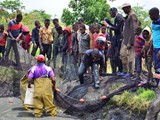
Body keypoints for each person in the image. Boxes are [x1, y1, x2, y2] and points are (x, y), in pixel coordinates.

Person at [120, 3, 139, 78]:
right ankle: (126, 71)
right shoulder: (128, 16)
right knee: (122, 54)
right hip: (125, 39)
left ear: (128, 8)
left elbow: (133, 30)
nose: (123, 11)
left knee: (131, 58)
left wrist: (130, 42)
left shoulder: (132, 15)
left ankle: (131, 73)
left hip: (130, 41)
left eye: (124, 9)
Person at [103, 7, 124, 75]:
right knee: (117, 54)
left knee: (119, 54)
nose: (110, 15)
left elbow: (117, 29)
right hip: (118, 37)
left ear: (114, 12)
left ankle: (121, 70)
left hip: (120, 37)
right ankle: (120, 70)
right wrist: (109, 22)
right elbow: (115, 27)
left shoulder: (119, 18)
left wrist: (107, 26)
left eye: (110, 13)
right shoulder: (117, 18)